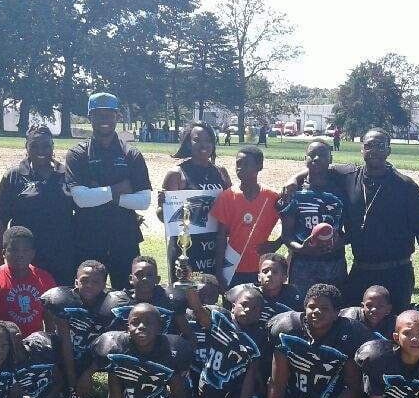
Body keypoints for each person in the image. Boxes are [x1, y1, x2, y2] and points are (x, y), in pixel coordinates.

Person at [341, 129, 419, 313]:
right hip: (361, 269)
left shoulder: (406, 186)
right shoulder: (349, 177)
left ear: (388, 151)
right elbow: (318, 165)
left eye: (380, 146)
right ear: (362, 150)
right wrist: (293, 179)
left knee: (395, 323)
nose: (374, 151)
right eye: (369, 146)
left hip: (397, 271)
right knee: (355, 321)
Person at [65, 92, 152, 289]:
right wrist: (118, 189)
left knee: (129, 295)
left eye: (109, 114)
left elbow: (144, 201)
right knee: (88, 295)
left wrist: (99, 193)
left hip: (125, 238)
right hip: (88, 238)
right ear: (90, 117)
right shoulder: (77, 154)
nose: (104, 119)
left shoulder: (131, 154)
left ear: (117, 116)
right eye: (98, 114)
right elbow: (81, 199)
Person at [185, 283, 270, 398]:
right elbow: (198, 309)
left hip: (239, 391)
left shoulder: (259, 336)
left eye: (254, 308)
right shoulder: (219, 319)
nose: (248, 310)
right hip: (210, 389)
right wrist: (189, 286)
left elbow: (250, 378)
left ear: (260, 314)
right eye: (244, 304)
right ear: (233, 306)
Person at [0, 125, 74, 285]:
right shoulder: (13, 176)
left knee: (60, 297)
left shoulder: (67, 175)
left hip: (62, 255)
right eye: (34, 146)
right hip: (24, 256)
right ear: (26, 147)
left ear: (53, 147)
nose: (40, 151)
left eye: (46, 146)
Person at [159, 122, 232, 282]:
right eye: (197, 140)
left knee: (212, 289)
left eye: (208, 140)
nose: (203, 145)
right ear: (188, 143)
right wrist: (163, 205)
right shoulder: (177, 174)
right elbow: (163, 217)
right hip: (186, 247)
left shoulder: (221, 172)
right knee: (184, 291)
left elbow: (231, 207)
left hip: (215, 245)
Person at [278, 139, 349, 298]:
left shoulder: (342, 190)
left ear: (330, 159)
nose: (316, 158)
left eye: (322, 155)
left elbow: (351, 230)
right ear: (305, 159)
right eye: (312, 155)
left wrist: (338, 242)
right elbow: (287, 235)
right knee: (303, 306)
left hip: (334, 263)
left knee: (334, 306)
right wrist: (301, 248)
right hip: (302, 264)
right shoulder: (293, 192)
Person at [40, 260, 116, 398]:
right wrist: (72, 382)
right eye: (84, 280)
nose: (89, 285)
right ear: (76, 282)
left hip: (93, 353)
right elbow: (65, 342)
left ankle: (116, 391)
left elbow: (112, 344)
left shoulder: (111, 305)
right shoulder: (63, 301)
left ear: (104, 285)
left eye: (95, 282)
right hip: (66, 352)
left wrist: (89, 372)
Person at [211, 146, 282, 289]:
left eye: (246, 164)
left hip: (261, 267)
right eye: (238, 163)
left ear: (259, 166)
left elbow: (290, 224)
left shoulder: (272, 197)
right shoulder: (227, 196)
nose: (240, 168)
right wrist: (218, 272)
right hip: (232, 265)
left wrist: (277, 243)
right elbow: (221, 237)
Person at [0, 226, 57, 338]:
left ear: (32, 253)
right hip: (2, 344)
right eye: (14, 250)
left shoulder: (45, 279)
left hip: (34, 343)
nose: (20, 255)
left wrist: (51, 343)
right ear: (4, 253)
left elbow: (51, 322)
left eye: (25, 250)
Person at [107, 256, 192, 339]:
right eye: (139, 274)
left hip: (164, 347)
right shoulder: (120, 303)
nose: (144, 278)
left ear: (157, 279)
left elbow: (190, 337)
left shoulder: (171, 301)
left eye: (149, 275)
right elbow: (111, 337)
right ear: (131, 279)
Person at [251, 253, 303, 325]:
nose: (269, 275)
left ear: (284, 277)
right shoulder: (250, 295)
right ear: (259, 277)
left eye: (275, 272)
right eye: (265, 271)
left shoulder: (293, 296)